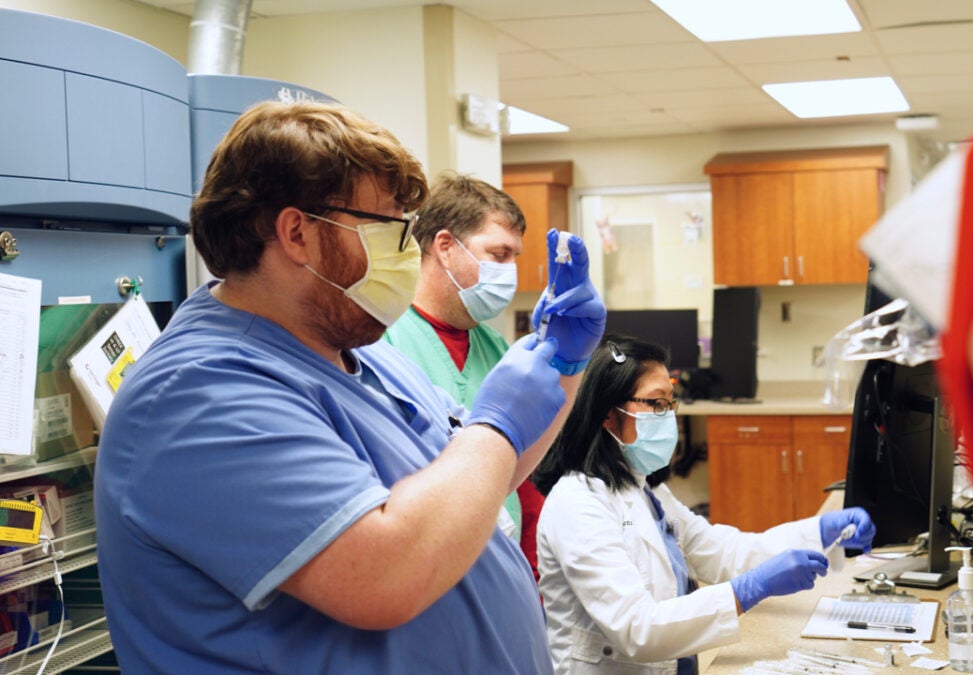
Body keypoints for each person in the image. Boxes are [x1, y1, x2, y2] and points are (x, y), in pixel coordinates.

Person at [93, 100, 604, 673]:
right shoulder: (196, 394)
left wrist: (563, 364)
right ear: (296, 233)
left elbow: (481, 484)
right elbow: (383, 576)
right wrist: (495, 425)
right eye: (391, 228)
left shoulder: (360, 355)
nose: (410, 253)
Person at [532, 336, 876, 674]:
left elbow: (721, 551)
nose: (668, 417)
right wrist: (748, 590)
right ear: (608, 415)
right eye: (655, 403)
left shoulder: (644, 489)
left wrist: (819, 531)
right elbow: (637, 629)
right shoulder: (577, 504)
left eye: (670, 403)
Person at [380, 173, 543, 576]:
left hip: (503, 564)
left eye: (515, 257)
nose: (511, 271)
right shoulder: (381, 341)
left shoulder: (496, 349)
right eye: (499, 254)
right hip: (425, 563)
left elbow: (521, 477)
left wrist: (533, 575)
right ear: (446, 247)